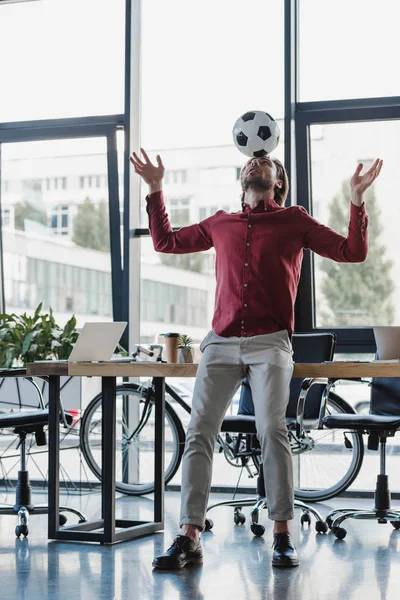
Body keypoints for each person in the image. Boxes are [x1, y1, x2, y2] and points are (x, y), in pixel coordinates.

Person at [130, 148, 383, 569]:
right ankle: (189, 536)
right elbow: (166, 242)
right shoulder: (220, 223)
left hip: (270, 344)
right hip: (221, 342)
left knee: (272, 428)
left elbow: (352, 252)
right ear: (243, 178)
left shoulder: (295, 221)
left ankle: (282, 534)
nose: (257, 162)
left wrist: (356, 200)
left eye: (267, 163)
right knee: (199, 432)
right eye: (251, 161)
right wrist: (155, 188)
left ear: (278, 182)